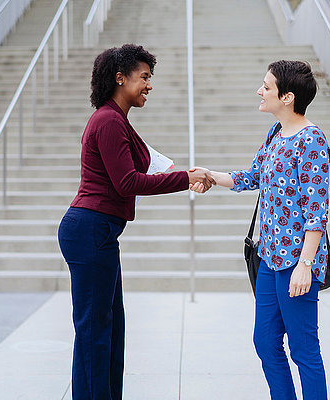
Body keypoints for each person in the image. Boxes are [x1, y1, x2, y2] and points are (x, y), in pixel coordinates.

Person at [57, 44, 215, 400]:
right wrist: (186, 178)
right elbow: (126, 182)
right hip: (90, 230)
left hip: (98, 231)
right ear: (120, 78)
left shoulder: (115, 118)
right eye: (144, 77)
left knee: (110, 329)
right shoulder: (108, 120)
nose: (149, 85)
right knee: (95, 333)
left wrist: (182, 174)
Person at [191, 60, 330, 399]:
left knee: (303, 349)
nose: (260, 90)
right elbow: (253, 176)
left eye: (266, 86)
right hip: (268, 259)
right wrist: (211, 175)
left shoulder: (311, 141)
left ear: (288, 97)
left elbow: (317, 212)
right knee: (265, 342)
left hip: (296, 264)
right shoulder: (274, 134)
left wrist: (305, 265)